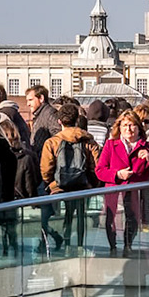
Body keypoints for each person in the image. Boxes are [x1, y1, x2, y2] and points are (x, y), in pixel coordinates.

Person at [96, 110, 149, 254]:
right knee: (111, 220)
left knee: (133, 219)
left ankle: (128, 245)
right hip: (114, 190)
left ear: (139, 127)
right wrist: (117, 174)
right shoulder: (111, 145)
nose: (128, 129)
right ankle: (113, 247)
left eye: (132, 125)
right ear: (119, 128)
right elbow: (100, 170)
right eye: (124, 125)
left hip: (136, 192)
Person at [40, 100, 101, 250]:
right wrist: (92, 183)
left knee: (65, 215)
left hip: (59, 186)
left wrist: (52, 183)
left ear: (59, 121)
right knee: (80, 216)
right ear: (76, 119)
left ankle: (66, 243)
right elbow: (96, 165)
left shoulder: (51, 142)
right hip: (83, 185)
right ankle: (80, 244)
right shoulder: (88, 140)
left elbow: (46, 169)